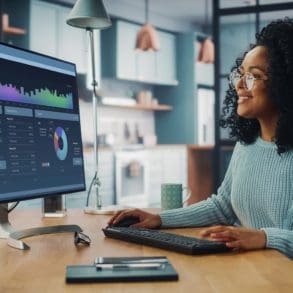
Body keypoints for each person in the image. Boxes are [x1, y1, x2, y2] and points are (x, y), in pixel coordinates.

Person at [109, 18, 293, 259]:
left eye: (253, 76)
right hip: (252, 271)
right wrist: (159, 219)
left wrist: (264, 237)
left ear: (284, 83)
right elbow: (222, 206)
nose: (239, 84)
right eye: (240, 74)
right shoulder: (246, 146)